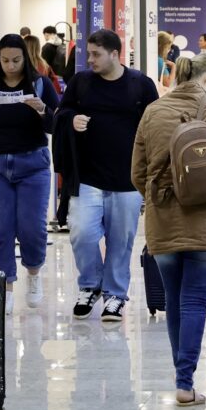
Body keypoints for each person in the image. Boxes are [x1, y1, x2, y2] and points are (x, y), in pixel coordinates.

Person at [130, 54, 206, 408]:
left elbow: (137, 171)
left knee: (174, 300)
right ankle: (185, 382)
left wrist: (159, 196)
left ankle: (182, 378)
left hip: (163, 217)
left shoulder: (153, 111)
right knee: (195, 299)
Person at [56, 29, 158, 321]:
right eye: (88, 54)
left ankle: (115, 295)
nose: (90, 60)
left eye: (96, 54)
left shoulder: (140, 85)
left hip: (128, 180)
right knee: (82, 233)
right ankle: (90, 284)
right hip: (88, 177)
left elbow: (154, 126)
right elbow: (62, 113)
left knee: (120, 241)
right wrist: (71, 119)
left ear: (115, 54)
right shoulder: (81, 83)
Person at [0, 34, 60, 315]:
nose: (10, 66)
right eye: (5, 60)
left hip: (33, 165)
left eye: (16, 60)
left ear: (25, 59)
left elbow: (57, 122)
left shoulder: (40, 83)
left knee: (31, 227)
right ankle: (4, 285)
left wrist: (42, 110)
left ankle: (33, 272)